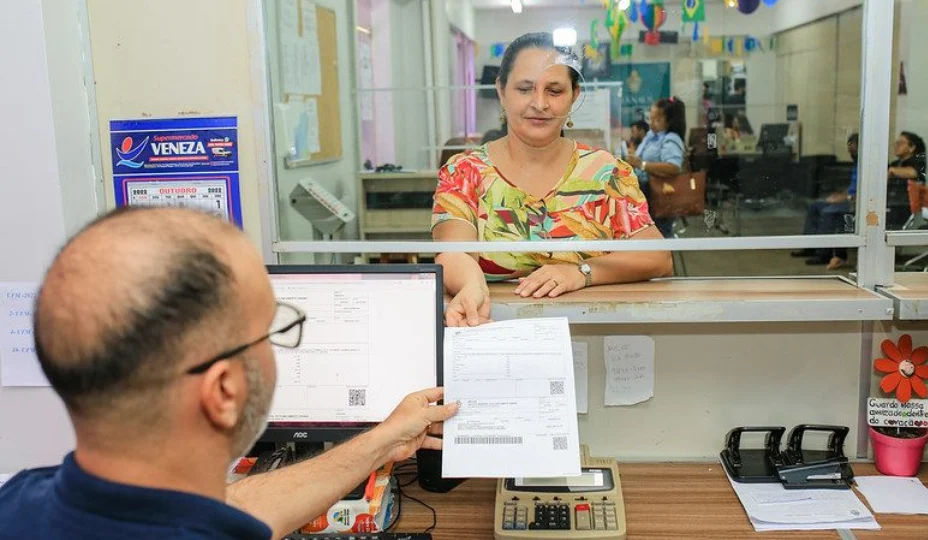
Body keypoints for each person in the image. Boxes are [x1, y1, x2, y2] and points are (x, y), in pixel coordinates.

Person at [0, 207, 459, 539]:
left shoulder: (19, 500)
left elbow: (230, 509)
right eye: (271, 330)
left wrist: (384, 439)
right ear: (223, 390)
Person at [432, 32, 672, 328]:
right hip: (489, 328)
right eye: (524, 88)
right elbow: (453, 253)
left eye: (554, 91)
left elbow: (657, 257)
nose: (540, 103)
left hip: (599, 335)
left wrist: (580, 272)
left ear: (574, 96)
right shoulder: (465, 171)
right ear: (501, 91)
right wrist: (471, 286)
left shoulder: (607, 172)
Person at [792, 133, 859, 270]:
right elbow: (853, 187)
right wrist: (841, 195)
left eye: (853, 148)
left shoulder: (868, 166)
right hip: (848, 198)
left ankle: (824, 253)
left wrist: (846, 198)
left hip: (855, 204)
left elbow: (865, 192)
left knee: (827, 212)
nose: (850, 152)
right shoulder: (857, 164)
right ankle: (810, 247)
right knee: (814, 206)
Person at [624, 97, 687, 238]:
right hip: (644, 194)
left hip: (658, 194)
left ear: (669, 121)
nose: (651, 124)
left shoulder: (670, 139)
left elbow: (674, 167)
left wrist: (642, 164)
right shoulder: (652, 136)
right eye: (650, 119)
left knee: (660, 235)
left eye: (656, 120)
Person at [886, 131, 927, 229]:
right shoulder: (895, 163)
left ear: (912, 147)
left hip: (905, 207)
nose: (896, 146)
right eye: (896, 143)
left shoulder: (918, 161)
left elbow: (914, 173)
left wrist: (892, 171)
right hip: (891, 205)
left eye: (900, 143)